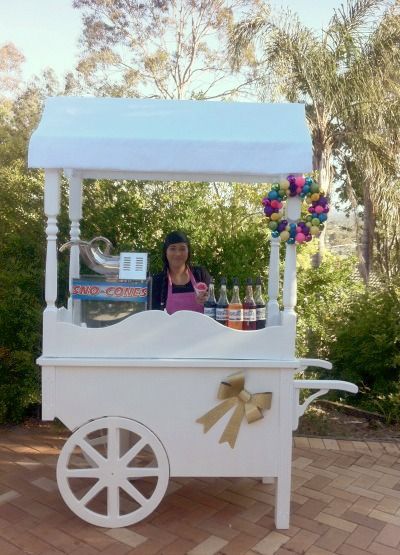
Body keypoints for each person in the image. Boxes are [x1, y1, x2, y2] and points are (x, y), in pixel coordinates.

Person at [151, 231, 210, 314]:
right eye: (172, 248)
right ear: (165, 252)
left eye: (182, 249)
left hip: (200, 327)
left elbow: (216, 306)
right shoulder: (157, 281)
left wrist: (209, 301)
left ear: (188, 251)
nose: (178, 253)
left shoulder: (200, 274)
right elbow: (153, 317)